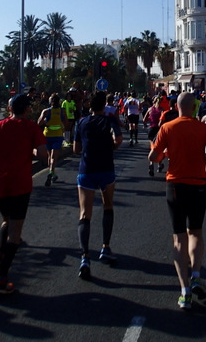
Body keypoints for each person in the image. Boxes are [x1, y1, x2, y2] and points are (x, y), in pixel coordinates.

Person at [149, 92, 206, 310]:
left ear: (177, 107)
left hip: (176, 185)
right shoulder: (203, 127)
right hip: (198, 183)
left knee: (179, 238)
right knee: (196, 232)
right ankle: (197, 274)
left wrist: (162, 155)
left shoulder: (167, 127)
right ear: (194, 107)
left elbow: (154, 157)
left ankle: (185, 291)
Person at [0, 94, 48, 294]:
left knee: (6, 221)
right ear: (26, 110)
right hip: (20, 184)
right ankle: (2, 278)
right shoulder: (31, 127)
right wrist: (32, 153)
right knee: (15, 233)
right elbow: (42, 153)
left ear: (10, 109)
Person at [74, 91, 124, 280]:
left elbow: (76, 149)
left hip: (86, 169)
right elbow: (118, 140)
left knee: (85, 214)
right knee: (107, 206)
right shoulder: (110, 120)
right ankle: (105, 247)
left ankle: (85, 257)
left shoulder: (82, 122)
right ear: (104, 105)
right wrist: (111, 147)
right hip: (106, 169)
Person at [38, 94, 67, 187]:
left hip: (47, 135)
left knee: (50, 156)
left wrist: (46, 121)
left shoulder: (46, 111)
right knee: (54, 156)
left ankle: (52, 172)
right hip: (58, 135)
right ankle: (51, 172)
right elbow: (65, 122)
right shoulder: (62, 111)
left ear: (50, 102)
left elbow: (39, 122)